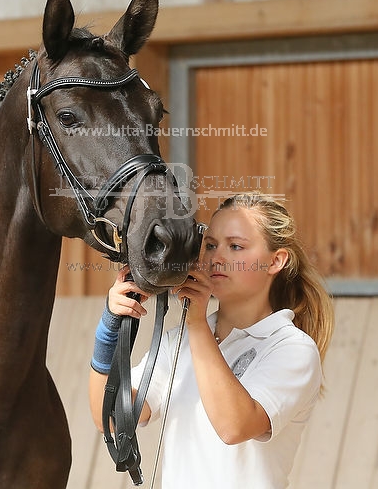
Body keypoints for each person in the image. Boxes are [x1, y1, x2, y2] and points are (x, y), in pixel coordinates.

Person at [88, 192, 334, 488]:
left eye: (235, 246)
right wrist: (110, 329)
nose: (216, 257)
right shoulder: (178, 340)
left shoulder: (293, 348)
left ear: (276, 261)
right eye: (211, 245)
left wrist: (196, 322)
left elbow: (234, 426)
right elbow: (112, 420)